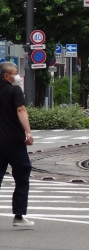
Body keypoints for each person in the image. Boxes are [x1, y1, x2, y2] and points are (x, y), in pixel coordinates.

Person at [0, 62, 34, 228]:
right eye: (15, 73)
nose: (17, 76)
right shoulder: (14, 90)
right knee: (22, 175)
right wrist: (28, 132)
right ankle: (19, 216)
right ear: (7, 76)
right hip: (13, 142)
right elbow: (21, 110)